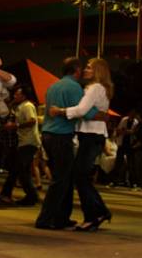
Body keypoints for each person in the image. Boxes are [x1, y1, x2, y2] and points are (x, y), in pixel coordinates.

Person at [34, 57, 99, 230]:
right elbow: (83, 111)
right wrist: (100, 112)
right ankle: (45, 219)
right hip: (61, 136)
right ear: (76, 70)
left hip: (48, 134)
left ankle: (62, 217)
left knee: (64, 177)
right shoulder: (74, 87)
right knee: (61, 180)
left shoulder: (53, 86)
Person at [50, 57, 114, 231]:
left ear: (98, 71)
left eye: (89, 67)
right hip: (94, 135)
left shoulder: (94, 88)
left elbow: (81, 110)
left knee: (80, 176)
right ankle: (98, 212)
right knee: (82, 176)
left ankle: (95, 214)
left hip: (90, 135)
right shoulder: (102, 89)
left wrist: (59, 111)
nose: (85, 70)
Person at [0, 83, 40, 207]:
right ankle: (30, 196)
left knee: (19, 169)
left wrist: (16, 126)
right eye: (15, 93)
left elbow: (32, 121)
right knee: (21, 170)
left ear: (24, 95)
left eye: (18, 93)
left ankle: (21, 195)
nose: (15, 95)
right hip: (23, 142)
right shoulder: (19, 106)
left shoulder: (27, 106)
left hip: (29, 142)